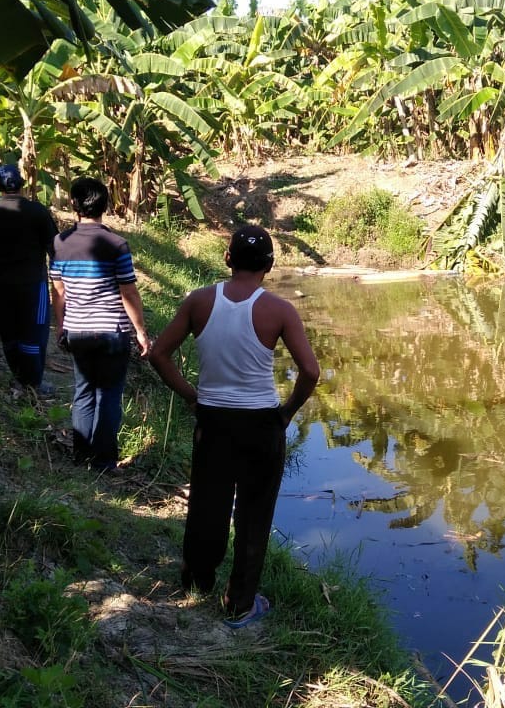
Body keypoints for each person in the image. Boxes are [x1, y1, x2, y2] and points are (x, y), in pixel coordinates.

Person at [148, 226, 320, 628]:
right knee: (254, 515)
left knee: (208, 502)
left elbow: (159, 354)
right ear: (270, 266)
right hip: (261, 423)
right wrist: (288, 411)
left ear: (228, 259)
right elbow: (310, 371)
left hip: (213, 420)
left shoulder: (200, 301)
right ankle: (240, 603)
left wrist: (192, 395)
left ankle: (197, 579)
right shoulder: (279, 310)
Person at [49, 177, 150, 476]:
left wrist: (61, 326)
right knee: (107, 394)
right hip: (111, 331)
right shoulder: (115, 244)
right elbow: (128, 292)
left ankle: (81, 456)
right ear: (106, 205)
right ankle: (104, 461)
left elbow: (59, 291)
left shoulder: (60, 243)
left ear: (74, 205)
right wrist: (141, 331)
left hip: (77, 330)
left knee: (83, 391)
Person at [0, 164, 57, 395]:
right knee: (34, 332)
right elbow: (54, 247)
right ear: (22, 183)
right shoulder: (37, 211)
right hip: (33, 282)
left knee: (10, 332)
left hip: (2, 283)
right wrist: (59, 279)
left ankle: (19, 378)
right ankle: (34, 383)